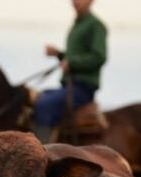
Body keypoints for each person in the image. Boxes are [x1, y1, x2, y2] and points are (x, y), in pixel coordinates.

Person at [33, 0, 108, 143]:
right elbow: (74, 57)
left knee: (45, 105)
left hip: (83, 88)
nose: (75, 2)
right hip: (69, 86)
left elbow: (99, 56)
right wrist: (59, 54)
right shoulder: (77, 25)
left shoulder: (95, 25)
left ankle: (40, 155)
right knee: (36, 98)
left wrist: (72, 63)